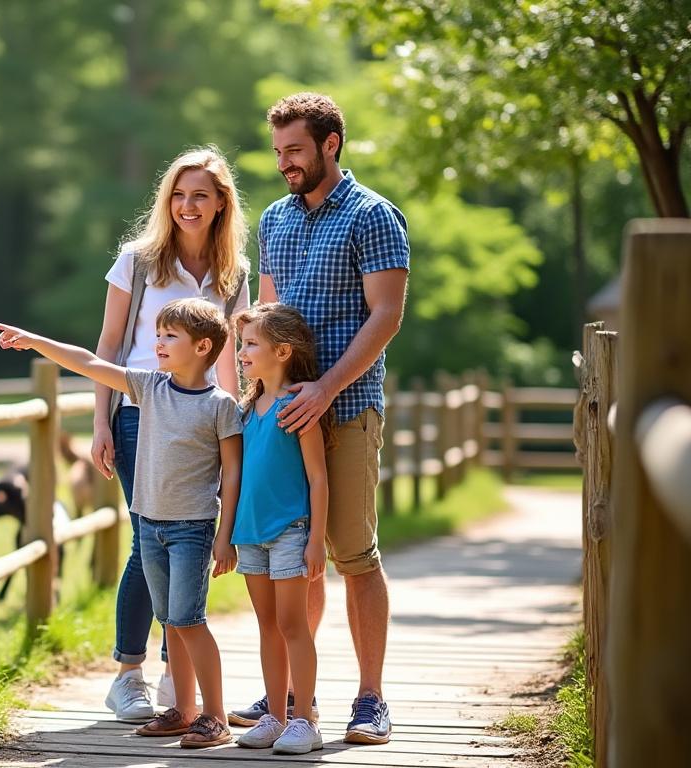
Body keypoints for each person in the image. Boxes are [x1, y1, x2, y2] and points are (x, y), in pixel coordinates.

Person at [227, 92, 409, 745]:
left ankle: (371, 697)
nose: (285, 163)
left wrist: (327, 389)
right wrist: (258, 396)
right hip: (279, 419)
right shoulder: (274, 219)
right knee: (290, 558)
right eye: (279, 152)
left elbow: (386, 316)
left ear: (331, 144)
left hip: (348, 408)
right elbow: (265, 324)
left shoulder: (374, 216)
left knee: (353, 554)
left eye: (295, 150)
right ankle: (295, 696)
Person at [0, 298, 241, 748]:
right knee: (170, 621)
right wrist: (35, 342)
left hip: (193, 529)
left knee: (189, 621)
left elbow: (233, 475)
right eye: (158, 334)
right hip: (149, 525)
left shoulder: (221, 406)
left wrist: (226, 537)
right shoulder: (148, 387)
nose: (157, 343)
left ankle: (214, 716)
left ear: (203, 347)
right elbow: (89, 362)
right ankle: (183, 711)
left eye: (169, 337)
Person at [90, 146, 248, 722]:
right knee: (147, 537)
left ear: (220, 203)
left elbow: (232, 361)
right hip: (141, 416)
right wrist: (101, 422)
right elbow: (108, 347)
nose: (187, 205)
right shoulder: (136, 261)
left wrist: (237, 424)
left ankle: (172, 674)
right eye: (179, 195)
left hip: (203, 421)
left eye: (200, 195)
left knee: (189, 541)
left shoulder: (233, 274)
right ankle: (130, 673)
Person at [229, 303, 330, 755]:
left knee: (293, 625)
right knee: (267, 625)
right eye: (242, 343)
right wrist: (226, 534)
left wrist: (315, 540)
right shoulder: (247, 409)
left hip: (290, 531)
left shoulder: (297, 405)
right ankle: (275, 715)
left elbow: (318, 478)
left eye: (252, 344)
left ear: (283, 351)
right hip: (249, 535)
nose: (242, 352)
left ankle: (305, 720)